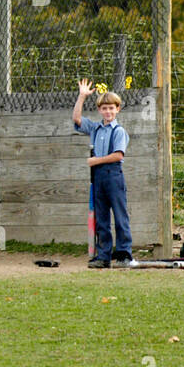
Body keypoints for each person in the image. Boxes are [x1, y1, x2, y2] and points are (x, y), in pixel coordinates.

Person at [73, 79, 135, 268]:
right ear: (99, 110)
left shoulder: (119, 131)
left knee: (120, 215)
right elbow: (76, 118)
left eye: (111, 108)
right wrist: (82, 96)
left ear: (118, 109)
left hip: (113, 175)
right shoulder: (95, 128)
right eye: (104, 108)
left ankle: (124, 253)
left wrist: (95, 161)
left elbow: (118, 155)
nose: (108, 112)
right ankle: (104, 255)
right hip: (98, 177)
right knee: (101, 217)